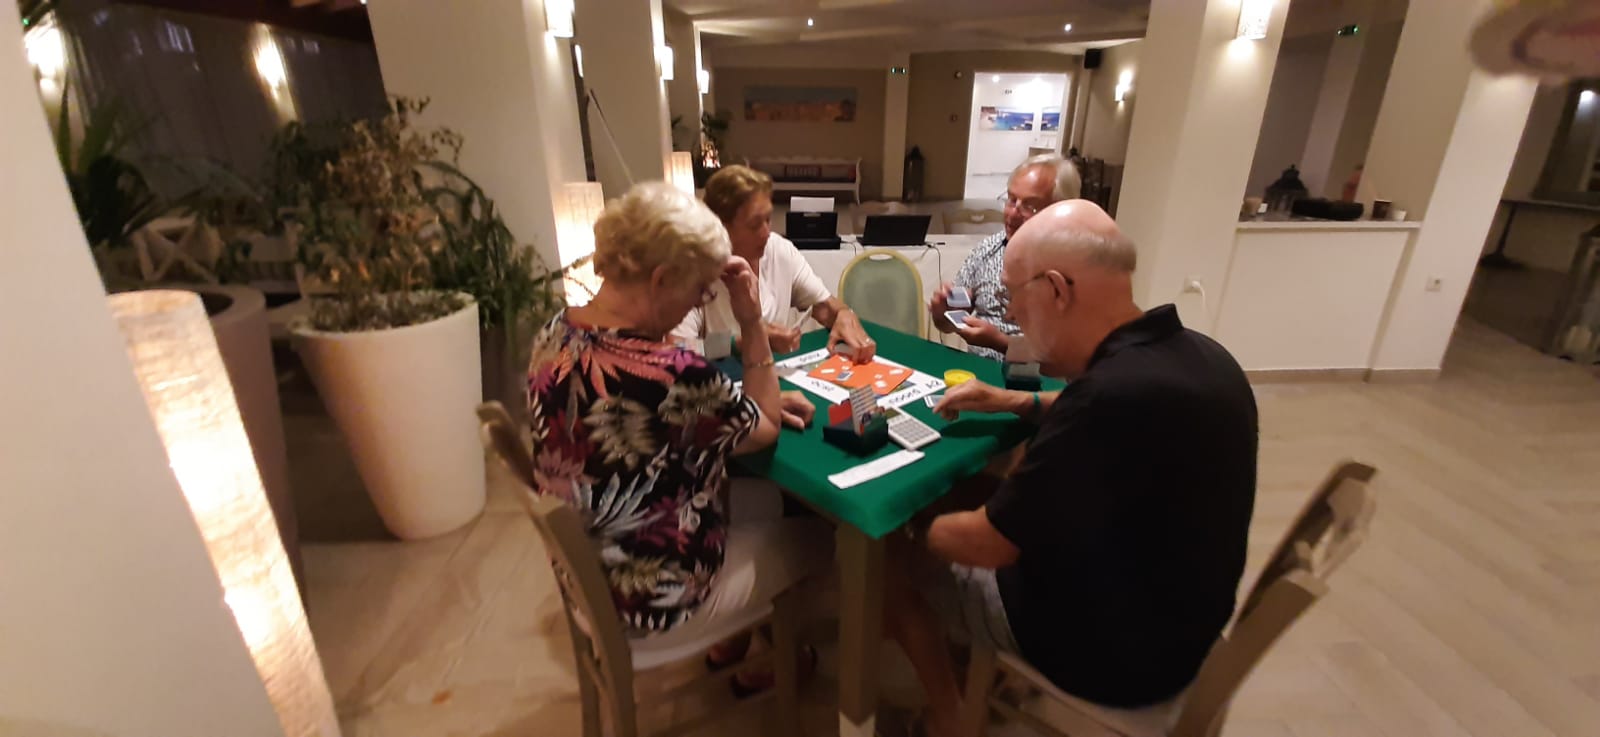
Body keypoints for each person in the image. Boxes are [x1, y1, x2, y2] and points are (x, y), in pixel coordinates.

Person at [887, 200, 1258, 737]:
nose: (1012, 318)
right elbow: (1085, 409)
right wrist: (1012, 400)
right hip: (1181, 628)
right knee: (979, 488)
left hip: (1111, 659)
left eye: (1013, 298)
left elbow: (986, 545)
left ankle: (949, 717)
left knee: (884, 562)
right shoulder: (1202, 356)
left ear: (1057, 290)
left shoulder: (1105, 399)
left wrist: (907, 526)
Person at [526, 182, 829, 664]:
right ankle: (782, 657)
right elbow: (767, 425)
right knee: (820, 534)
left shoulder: (554, 331)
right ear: (662, 279)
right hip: (656, 598)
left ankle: (738, 642)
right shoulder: (673, 374)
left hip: (587, 574)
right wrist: (751, 321)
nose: (698, 302)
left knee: (757, 499)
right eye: (699, 290)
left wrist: (729, 400)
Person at [673, 165, 876, 360]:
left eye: (768, 219)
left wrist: (842, 314)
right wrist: (746, 341)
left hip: (770, 372)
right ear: (719, 226)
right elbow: (675, 350)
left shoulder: (780, 250)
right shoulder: (691, 269)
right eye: (755, 224)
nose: (766, 232)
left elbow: (824, 306)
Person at [930, 153, 1081, 361]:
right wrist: (942, 314)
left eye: (1029, 205)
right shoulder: (986, 250)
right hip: (977, 371)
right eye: (1011, 200)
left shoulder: (1078, 265)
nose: (1012, 213)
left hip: (1040, 378)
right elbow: (948, 324)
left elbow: (1071, 356)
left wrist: (1001, 343)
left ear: (1060, 210)